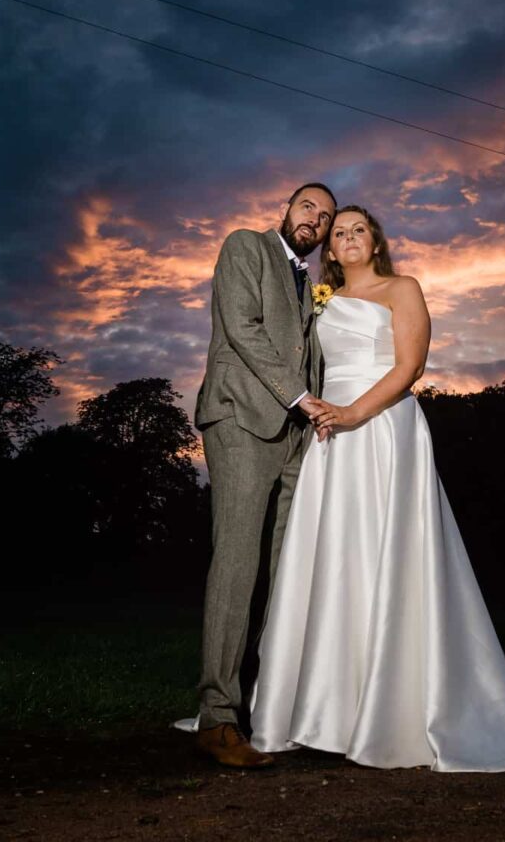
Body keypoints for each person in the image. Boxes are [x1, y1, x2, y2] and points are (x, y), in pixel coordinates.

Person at [245, 204, 505, 771]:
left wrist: (352, 415)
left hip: (383, 428)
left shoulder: (404, 288)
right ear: (329, 249)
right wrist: (320, 413)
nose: (348, 237)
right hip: (331, 435)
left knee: (393, 557)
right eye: (338, 232)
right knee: (335, 560)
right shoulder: (315, 301)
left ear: (375, 242)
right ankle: (326, 710)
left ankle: (395, 712)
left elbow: (408, 369)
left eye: (358, 229)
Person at [180, 182, 338, 768]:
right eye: (307, 208)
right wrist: (303, 397)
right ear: (286, 208)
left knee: (285, 570)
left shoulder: (317, 287)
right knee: (238, 561)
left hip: (299, 436)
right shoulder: (246, 246)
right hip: (243, 420)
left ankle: (269, 707)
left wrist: (320, 412)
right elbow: (243, 328)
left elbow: (312, 353)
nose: (315, 221)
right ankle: (217, 716)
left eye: (324, 217)